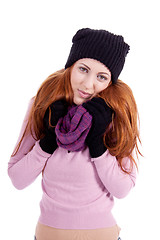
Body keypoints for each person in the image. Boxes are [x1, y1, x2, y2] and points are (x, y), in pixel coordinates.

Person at [8, 28, 141, 240]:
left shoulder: (116, 116)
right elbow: (18, 179)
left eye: (101, 76)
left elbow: (122, 189)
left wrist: (98, 144)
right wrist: (48, 142)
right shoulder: (42, 106)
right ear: (70, 67)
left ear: (110, 82)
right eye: (83, 69)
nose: (88, 84)